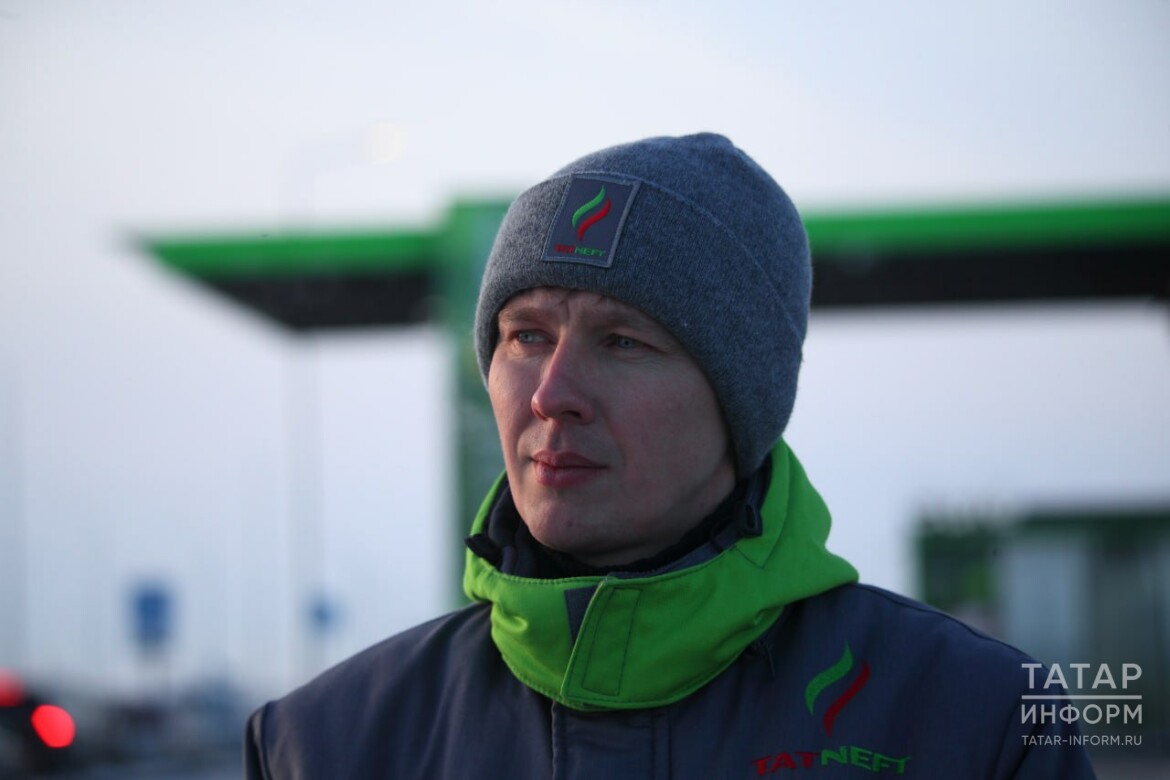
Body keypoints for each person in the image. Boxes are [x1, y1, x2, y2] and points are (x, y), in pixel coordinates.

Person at [244, 133, 1094, 778]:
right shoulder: (322, 747)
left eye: (622, 342)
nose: (552, 394)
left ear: (740, 401)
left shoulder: (976, 725)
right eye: (526, 335)